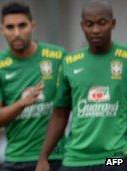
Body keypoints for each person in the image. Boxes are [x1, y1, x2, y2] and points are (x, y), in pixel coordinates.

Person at [36, 0, 127, 171]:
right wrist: (43, 157)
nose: (96, 30)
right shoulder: (70, 62)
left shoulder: (125, 58)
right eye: (89, 24)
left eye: (102, 23)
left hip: (113, 159)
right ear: (82, 26)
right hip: (75, 161)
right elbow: (60, 114)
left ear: (113, 24)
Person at [0, 1, 66, 171]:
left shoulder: (57, 56)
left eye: (22, 25)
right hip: (17, 159)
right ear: (2, 30)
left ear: (32, 26)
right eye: (10, 27)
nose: (17, 33)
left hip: (56, 157)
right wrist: (21, 103)